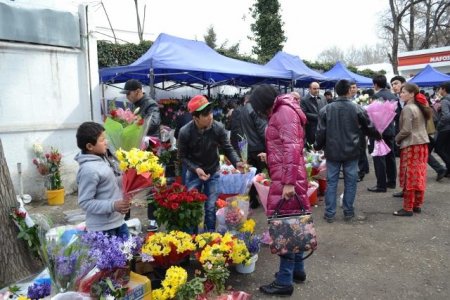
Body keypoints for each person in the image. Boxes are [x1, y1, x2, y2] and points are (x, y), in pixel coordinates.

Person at [250, 85, 309, 297]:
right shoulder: (283, 110)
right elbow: (284, 145)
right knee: (295, 224)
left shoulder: (282, 112)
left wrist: (289, 183)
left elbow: (292, 147)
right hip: (290, 174)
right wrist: (271, 155)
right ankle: (298, 271)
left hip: (288, 177)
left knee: (286, 228)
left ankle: (284, 281)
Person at [315, 80, 379, 223]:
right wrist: (379, 137)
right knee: (351, 181)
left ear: (336, 91)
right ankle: (348, 212)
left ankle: (330, 213)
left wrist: (317, 146)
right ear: (349, 90)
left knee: (332, 182)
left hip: (332, 151)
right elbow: (369, 127)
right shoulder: (357, 108)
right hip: (352, 150)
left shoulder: (325, 109)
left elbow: (321, 132)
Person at [177, 95, 242, 232]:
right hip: (194, 173)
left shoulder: (218, 127)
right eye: (205, 115)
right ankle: (192, 238)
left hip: (212, 172)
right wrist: (196, 169)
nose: (210, 116)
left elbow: (228, 148)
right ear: (195, 117)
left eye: (210, 112)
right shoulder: (185, 132)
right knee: (192, 206)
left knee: (210, 207)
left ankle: (210, 237)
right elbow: (181, 157)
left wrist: (238, 162)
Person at [75, 122, 130, 238]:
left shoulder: (102, 160)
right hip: (103, 230)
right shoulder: (89, 170)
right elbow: (85, 202)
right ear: (90, 146)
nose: (106, 142)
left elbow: (109, 182)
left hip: (118, 222)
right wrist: (113, 205)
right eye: (102, 140)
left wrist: (130, 177)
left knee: (129, 254)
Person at [120, 79, 161, 230]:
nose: (126, 97)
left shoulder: (150, 104)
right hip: (134, 151)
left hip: (149, 151)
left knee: (151, 186)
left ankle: (153, 220)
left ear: (138, 91)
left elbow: (154, 122)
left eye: (128, 93)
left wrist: (137, 122)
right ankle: (125, 217)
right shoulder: (134, 105)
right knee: (128, 184)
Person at [393, 83, 431, 216]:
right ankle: (417, 205)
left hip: (411, 145)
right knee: (419, 174)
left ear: (411, 94)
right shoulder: (419, 106)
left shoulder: (408, 108)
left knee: (410, 176)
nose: (401, 94)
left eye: (403, 92)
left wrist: (396, 138)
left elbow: (406, 130)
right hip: (422, 144)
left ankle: (408, 208)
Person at [368, 75, 397, 193]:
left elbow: (374, 114)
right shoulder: (392, 95)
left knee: (379, 157)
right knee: (390, 156)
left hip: (379, 131)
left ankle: (381, 185)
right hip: (390, 129)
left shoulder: (377, 96)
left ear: (375, 84)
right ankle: (391, 182)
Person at [239, 90, 268, 209]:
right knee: (262, 174)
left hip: (246, 147)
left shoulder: (242, 109)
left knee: (250, 175)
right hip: (258, 147)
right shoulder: (254, 109)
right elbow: (262, 130)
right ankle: (263, 197)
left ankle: (253, 200)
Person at [300, 82, 326, 148]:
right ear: (309, 89)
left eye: (318, 88)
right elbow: (303, 114)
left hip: (322, 128)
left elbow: (327, 109)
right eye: (314, 89)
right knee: (312, 148)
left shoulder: (323, 98)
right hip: (311, 129)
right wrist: (318, 117)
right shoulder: (304, 100)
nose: (317, 90)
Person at [434, 81, 450, 176]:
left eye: (440, 88)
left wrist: (439, 126)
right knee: (447, 149)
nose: (439, 90)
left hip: (445, 128)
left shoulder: (444, 100)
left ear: (443, 89)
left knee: (439, 148)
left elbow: (446, 116)